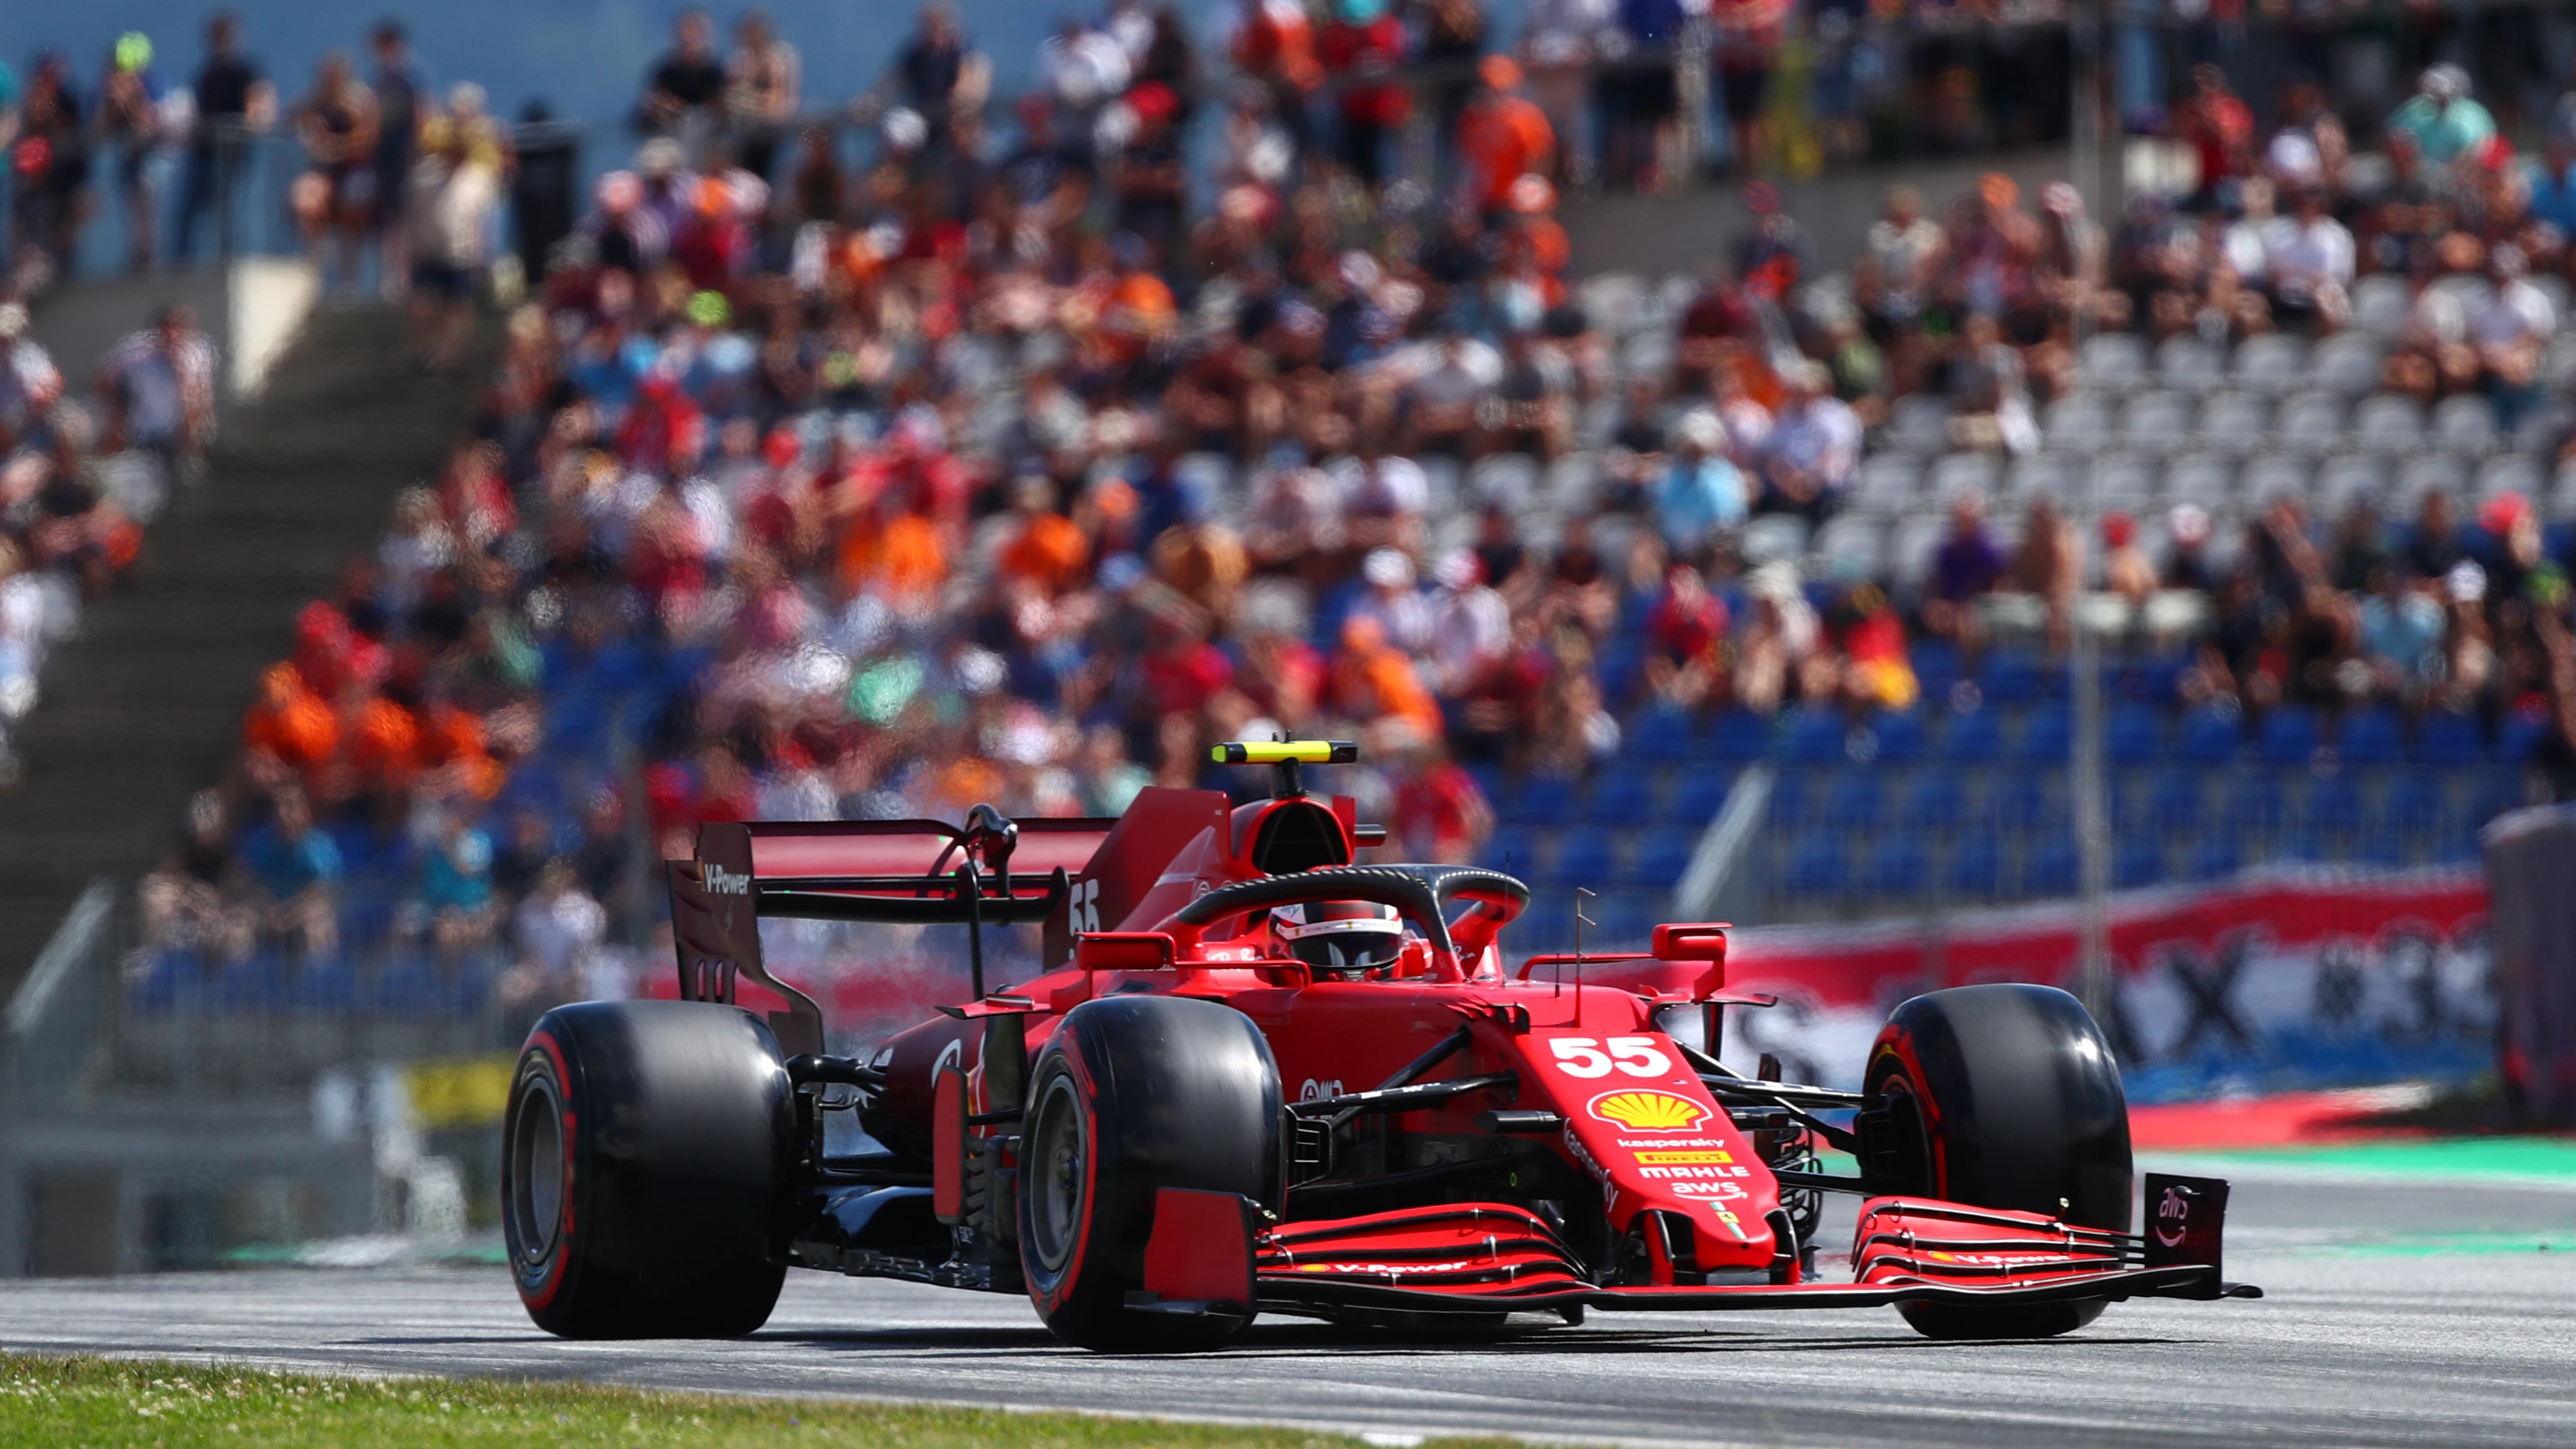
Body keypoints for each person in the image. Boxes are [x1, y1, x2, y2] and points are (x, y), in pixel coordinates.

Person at [408, 85, 509, 373]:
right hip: (429, 250)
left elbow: (485, 223)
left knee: (457, 309)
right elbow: (412, 215)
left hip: (460, 253)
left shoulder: (478, 180)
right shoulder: (423, 178)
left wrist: (483, 257)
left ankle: (446, 356)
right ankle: (427, 350)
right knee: (422, 306)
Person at [174, 12, 275, 262]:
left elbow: (258, 104)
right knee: (189, 209)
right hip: (203, 152)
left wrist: (250, 124)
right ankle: (183, 260)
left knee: (229, 205)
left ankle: (231, 256)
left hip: (233, 152)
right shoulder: (205, 74)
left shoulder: (246, 70)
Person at [288, 52, 379, 294]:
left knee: (352, 223)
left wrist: (339, 146)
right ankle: (316, 271)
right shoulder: (317, 99)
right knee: (306, 206)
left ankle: (346, 283)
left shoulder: (358, 99)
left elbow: (368, 137)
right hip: (325, 171)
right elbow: (294, 117)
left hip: (355, 170)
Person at [96, 303, 216, 469]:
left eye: (181, 328)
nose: (174, 334)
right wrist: (121, 403)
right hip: (142, 431)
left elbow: (198, 399)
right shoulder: (136, 351)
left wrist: (193, 440)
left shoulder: (195, 354)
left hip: (178, 434)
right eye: (170, 327)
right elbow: (104, 379)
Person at [9, 54, 89, 274]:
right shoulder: (30, 103)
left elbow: (78, 137)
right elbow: (28, 131)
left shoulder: (69, 100)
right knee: (33, 230)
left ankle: (64, 273)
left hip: (66, 180)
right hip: (38, 183)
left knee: (65, 232)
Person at [95, 33, 167, 274]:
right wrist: (114, 103)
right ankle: (136, 257)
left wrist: (129, 100)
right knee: (132, 210)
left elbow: (149, 124)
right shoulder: (111, 90)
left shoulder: (152, 85)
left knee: (147, 207)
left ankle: (147, 259)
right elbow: (101, 128)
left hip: (150, 160)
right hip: (127, 159)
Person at [368, 21, 424, 301]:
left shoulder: (408, 82)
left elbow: (419, 117)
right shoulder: (376, 83)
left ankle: (405, 280)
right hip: (382, 162)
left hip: (403, 160)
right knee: (387, 222)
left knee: (404, 221)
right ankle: (389, 280)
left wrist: (414, 154)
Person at [723, 10, 799, 180]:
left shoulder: (778, 59)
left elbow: (778, 96)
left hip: (772, 129)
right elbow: (730, 92)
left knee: (767, 175)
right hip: (742, 129)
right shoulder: (739, 60)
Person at [637, 9, 725, 142]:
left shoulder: (714, 71)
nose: (687, 37)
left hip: (707, 137)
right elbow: (652, 102)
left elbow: (720, 108)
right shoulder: (666, 71)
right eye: (683, 32)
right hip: (671, 133)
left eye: (692, 32)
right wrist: (663, 108)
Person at [2386, 63, 2496, 167]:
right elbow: (2393, 137)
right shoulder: (2414, 110)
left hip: (2462, 176)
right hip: (2418, 175)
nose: (2440, 100)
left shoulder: (2473, 115)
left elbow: (2479, 150)